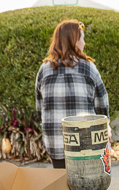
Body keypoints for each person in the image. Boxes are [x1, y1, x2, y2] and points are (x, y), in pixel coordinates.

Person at [36, 20, 109, 170]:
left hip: (55, 142)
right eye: (81, 38)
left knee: (62, 183)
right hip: (86, 143)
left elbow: (39, 107)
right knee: (85, 186)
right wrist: (106, 126)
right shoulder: (88, 68)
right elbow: (102, 105)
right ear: (73, 41)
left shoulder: (44, 69)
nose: (84, 43)